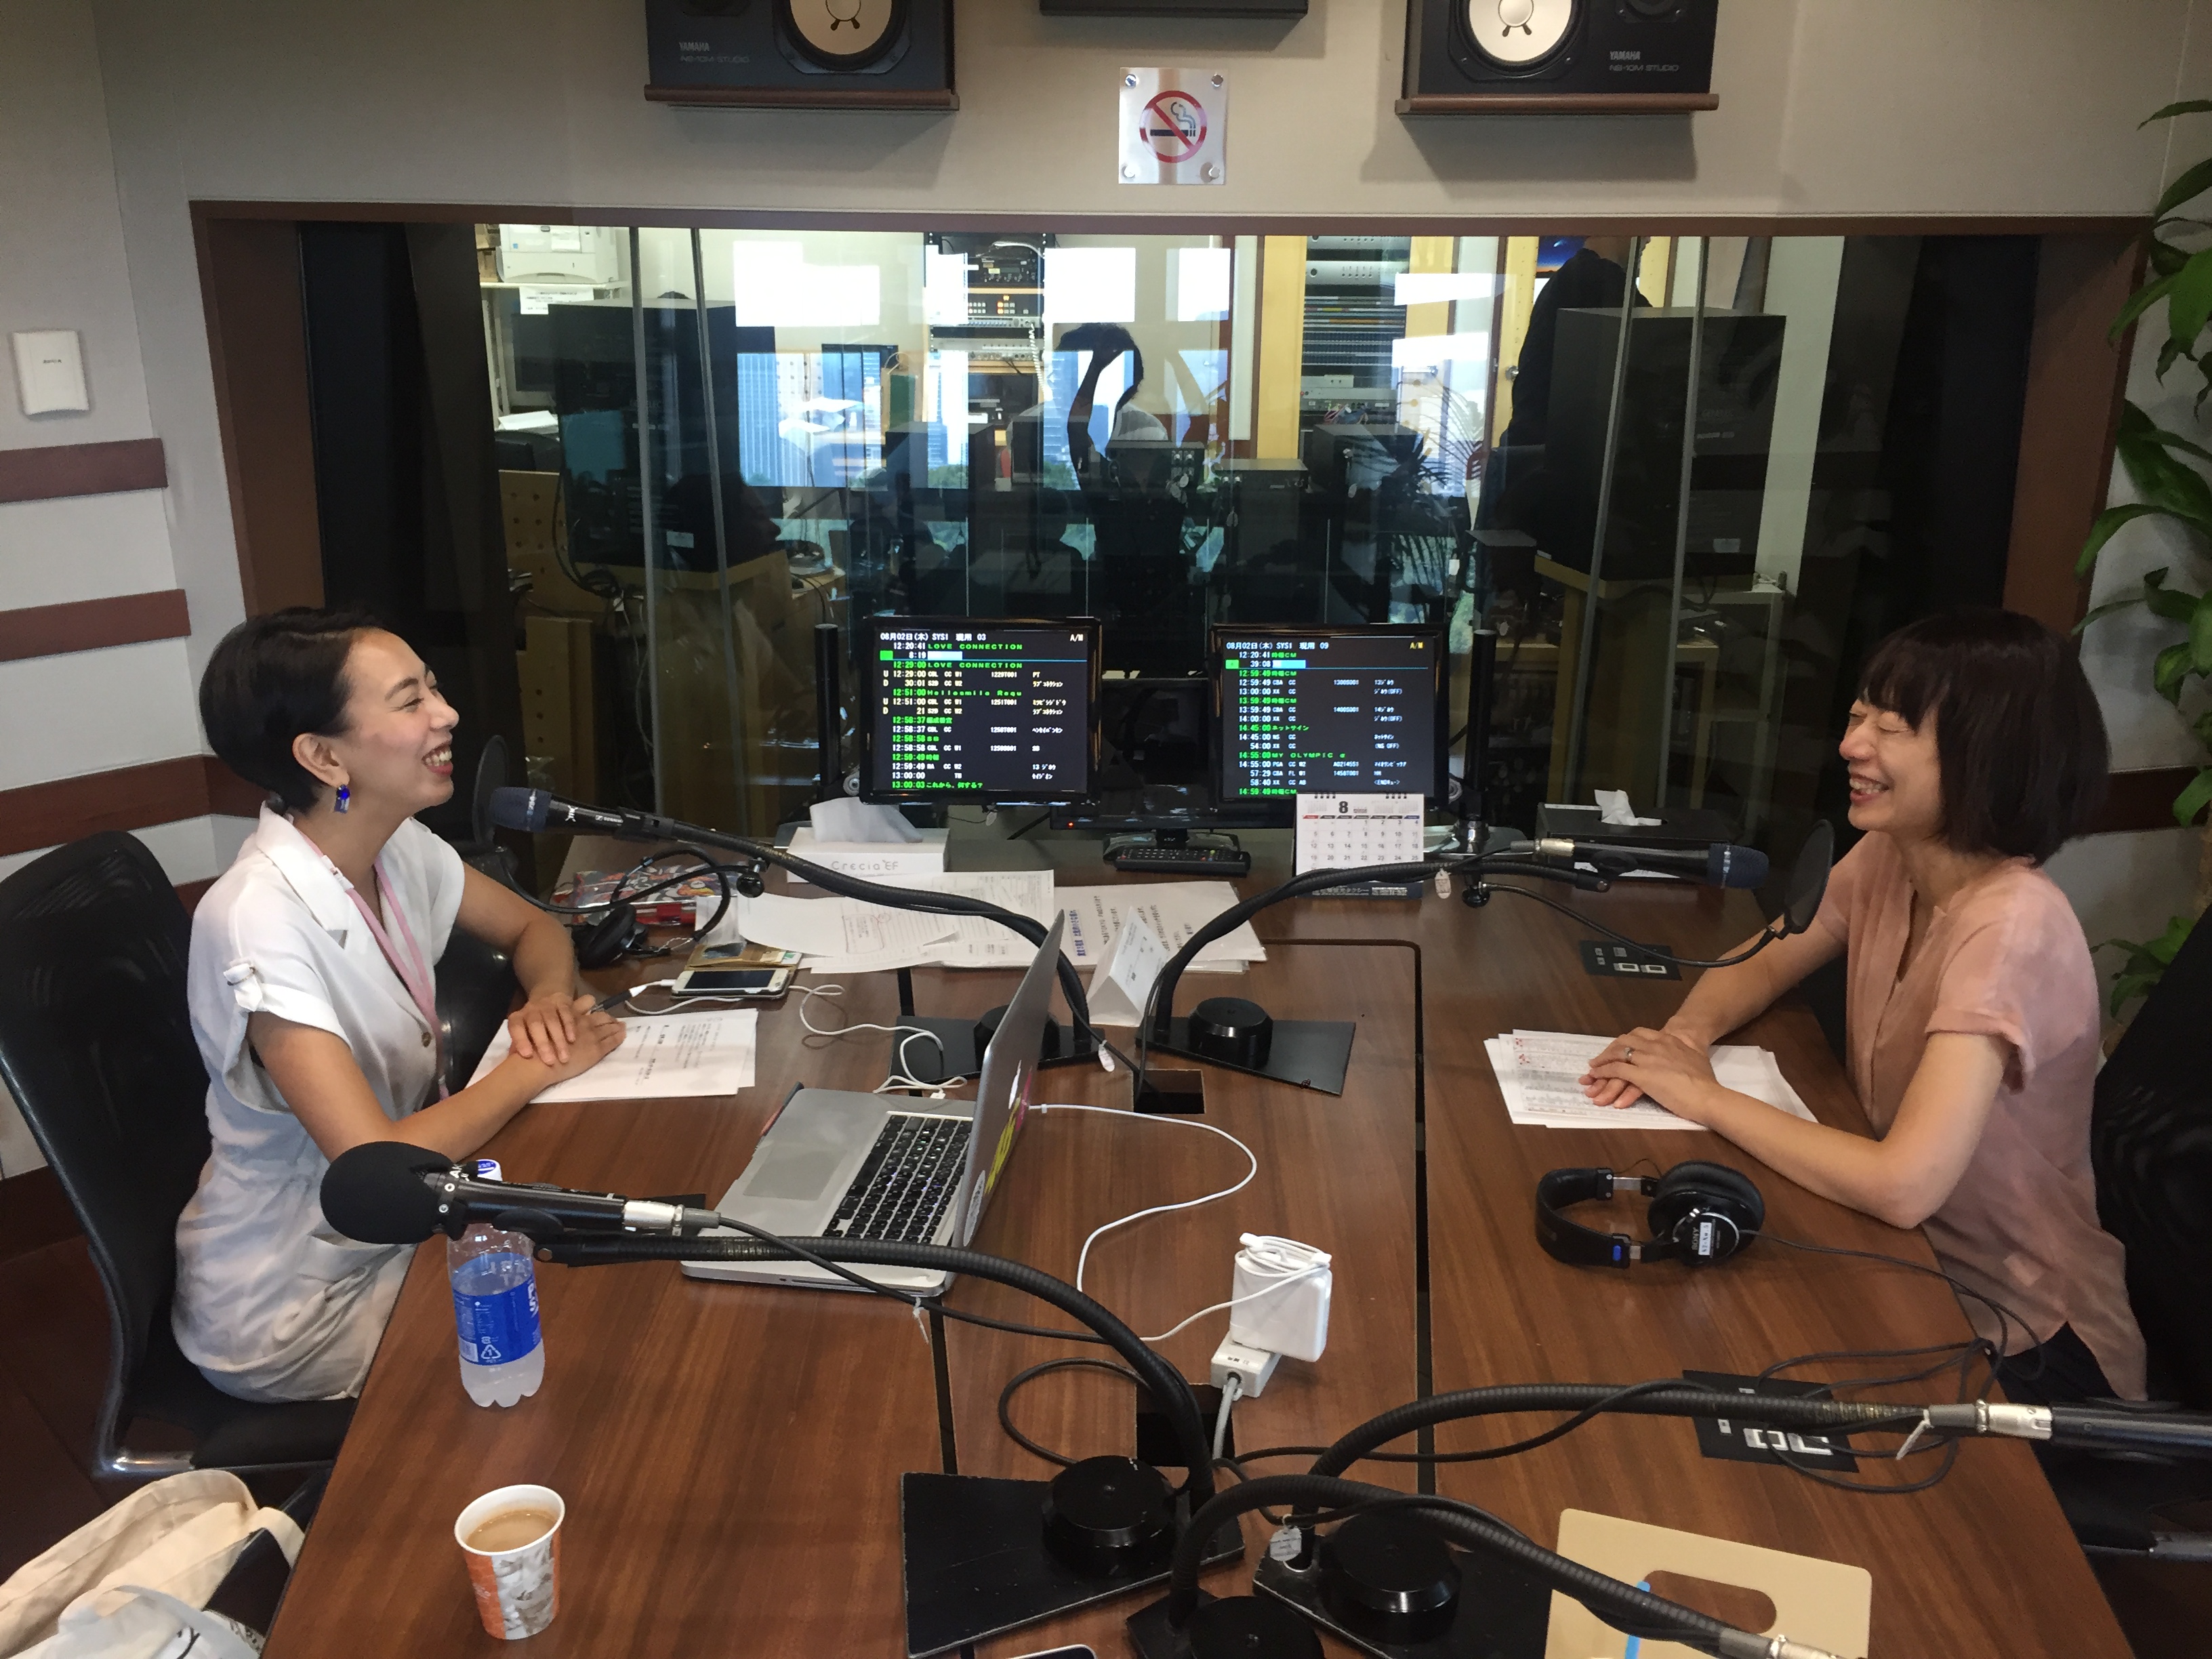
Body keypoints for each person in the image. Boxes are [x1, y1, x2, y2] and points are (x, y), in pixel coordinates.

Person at [1579, 609, 2146, 1404]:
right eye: (1857, 717)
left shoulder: (2012, 927)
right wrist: (1683, 1039)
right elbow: (1766, 958)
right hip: (1901, 1263)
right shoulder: (1895, 853)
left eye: (1892, 728)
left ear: (1990, 752)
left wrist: (1702, 1096)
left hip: (2022, 1339)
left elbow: (1902, 1187)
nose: (1851, 746)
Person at [177, 608, 625, 1403]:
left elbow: (534, 928)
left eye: (435, 689)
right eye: (410, 700)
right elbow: (374, 1163)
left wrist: (552, 1001)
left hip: (411, 1226)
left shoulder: (391, 843)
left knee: (605, 1260)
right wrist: (536, 1066)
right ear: (323, 756)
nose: (446, 714)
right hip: (300, 1300)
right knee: (596, 1334)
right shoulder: (256, 922)